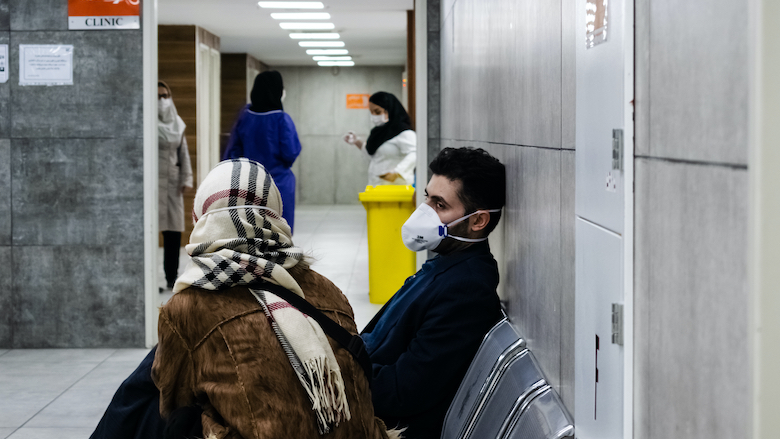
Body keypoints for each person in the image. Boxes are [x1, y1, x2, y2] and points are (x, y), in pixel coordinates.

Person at [90, 159, 399, 439]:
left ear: (202, 217)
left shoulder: (189, 305)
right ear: (275, 214)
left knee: (148, 401)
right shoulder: (328, 290)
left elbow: (171, 401)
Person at [360, 147, 506, 439]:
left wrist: (336, 378)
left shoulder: (467, 289)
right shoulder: (447, 263)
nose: (424, 210)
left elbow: (403, 392)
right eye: (427, 196)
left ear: (478, 221)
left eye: (439, 204)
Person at [222, 71, 301, 232]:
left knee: (251, 233)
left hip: (248, 184)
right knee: (280, 234)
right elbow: (290, 152)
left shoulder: (244, 117)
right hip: (279, 184)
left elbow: (233, 153)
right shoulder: (281, 119)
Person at [158, 81, 193, 291]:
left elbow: (184, 154)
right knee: (150, 232)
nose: (162, 100)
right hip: (152, 185)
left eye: (165, 95)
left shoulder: (177, 124)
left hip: (171, 183)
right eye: (157, 96)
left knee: (173, 234)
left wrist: (186, 179)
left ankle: (172, 279)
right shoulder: (145, 121)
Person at [343, 91, 416, 187]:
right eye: (371, 112)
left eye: (377, 112)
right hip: (377, 186)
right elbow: (373, 154)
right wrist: (357, 142)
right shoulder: (378, 132)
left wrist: (397, 172)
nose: (374, 116)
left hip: (397, 188)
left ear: (390, 109)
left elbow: (415, 154)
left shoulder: (404, 132)